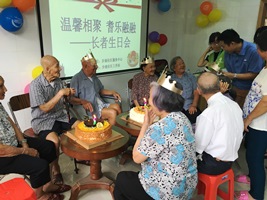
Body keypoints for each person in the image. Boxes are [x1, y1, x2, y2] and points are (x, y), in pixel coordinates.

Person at [114, 72, 197, 200]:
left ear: (160, 101)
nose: (149, 102)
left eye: (151, 98)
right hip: (187, 188)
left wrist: (145, 125)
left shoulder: (159, 128)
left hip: (167, 193)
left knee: (121, 178)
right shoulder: (182, 117)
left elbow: (136, 158)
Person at [0, 75, 71, 200]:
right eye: (1, 86)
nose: (5, 89)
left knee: (48, 146)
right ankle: (40, 195)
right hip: (3, 155)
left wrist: (24, 142)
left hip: (15, 143)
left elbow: (12, 124)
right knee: (40, 165)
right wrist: (25, 151)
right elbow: (1, 150)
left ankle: (48, 185)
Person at [30, 55, 80, 185]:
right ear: (47, 69)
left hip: (60, 116)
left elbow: (65, 101)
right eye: (57, 66)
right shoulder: (35, 85)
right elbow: (45, 108)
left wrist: (69, 94)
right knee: (54, 141)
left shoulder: (58, 81)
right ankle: (56, 170)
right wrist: (60, 93)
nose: (60, 68)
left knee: (81, 126)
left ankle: (80, 156)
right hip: (43, 120)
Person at [234, 30, 267, 200]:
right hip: (255, 122)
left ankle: (256, 195)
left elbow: (265, 102)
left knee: (255, 159)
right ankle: (251, 178)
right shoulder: (265, 65)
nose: (256, 50)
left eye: (258, 48)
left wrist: (248, 118)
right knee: (250, 155)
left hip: (261, 125)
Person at [195, 72, 243, 175]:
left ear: (199, 90)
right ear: (219, 86)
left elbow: (198, 147)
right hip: (230, 161)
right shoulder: (234, 104)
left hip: (213, 165)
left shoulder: (208, 114)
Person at [70, 52, 121, 125]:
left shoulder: (94, 77)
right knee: (112, 113)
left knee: (117, 107)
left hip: (100, 104)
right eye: (93, 69)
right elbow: (71, 99)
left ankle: (120, 131)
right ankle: (112, 134)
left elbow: (100, 90)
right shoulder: (76, 79)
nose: (95, 70)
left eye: (96, 68)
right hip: (91, 109)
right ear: (85, 66)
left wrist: (112, 92)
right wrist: (82, 101)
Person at [217, 29, 264, 108]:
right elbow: (226, 68)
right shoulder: (228, 52)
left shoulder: (253, 51)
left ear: (232, 43)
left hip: (248, 91)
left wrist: (234, 75)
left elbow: (255, 74)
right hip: (232, 88)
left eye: (223, 46)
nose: (223, 49)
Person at [170, 56, 201, 124]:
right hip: (176, 107)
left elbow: (196, 92)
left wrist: (194, 105)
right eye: (179, 64)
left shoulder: (190, 76)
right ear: (174, 68)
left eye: (183, 63)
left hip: (189, 105)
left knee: (199, 120)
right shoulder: (171, 79)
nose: (182, 65)